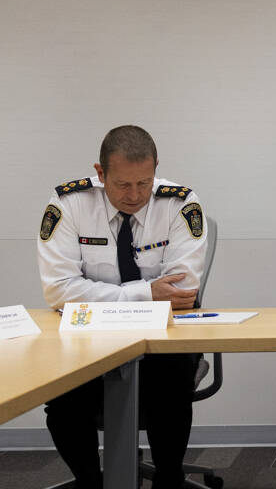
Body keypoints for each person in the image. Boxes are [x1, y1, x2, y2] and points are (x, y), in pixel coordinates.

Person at [37, 125, 209, 489]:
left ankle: (169, 479)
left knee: (171, 384)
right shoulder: (68, 205)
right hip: (87, 338)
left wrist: (96, 296)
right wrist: (145, 294)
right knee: (63, 398)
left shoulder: (181, 204)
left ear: (156, 168)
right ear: (100, 174)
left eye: (144, 183)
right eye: (122, 185)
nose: (135, 195)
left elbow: (181, 293)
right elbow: (58, 291)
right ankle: (89, 481)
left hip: (161, 337)